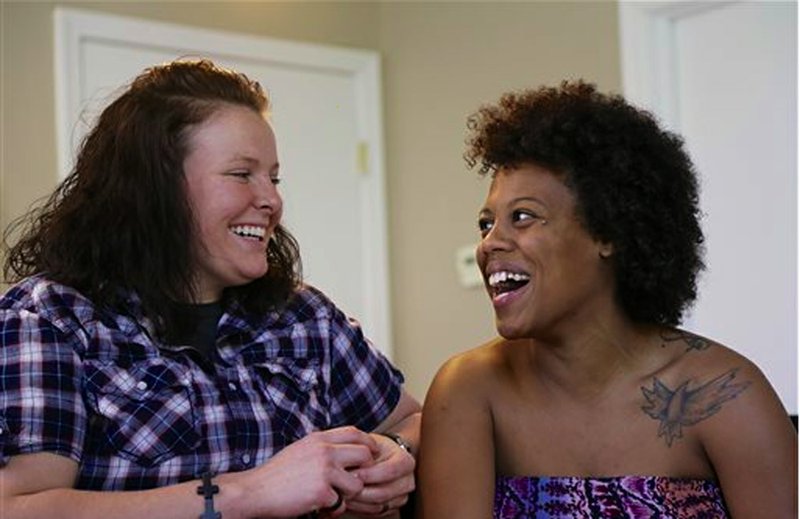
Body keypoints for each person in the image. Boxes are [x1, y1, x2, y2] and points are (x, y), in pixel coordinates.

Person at [0, 59, 419, 519]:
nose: (272, 200)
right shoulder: (50, 319)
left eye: (273, 178)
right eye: (242, 174)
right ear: (155, 188)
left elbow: (414, 421)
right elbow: (18, 507)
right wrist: (252, 491)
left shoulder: (304, 318)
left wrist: (393, 450)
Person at [416, 81, 797, 518]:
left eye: (522, 216)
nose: (489, 244)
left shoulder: (728, 396)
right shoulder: (468, 391)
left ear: (608, 233)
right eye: (486, 224)